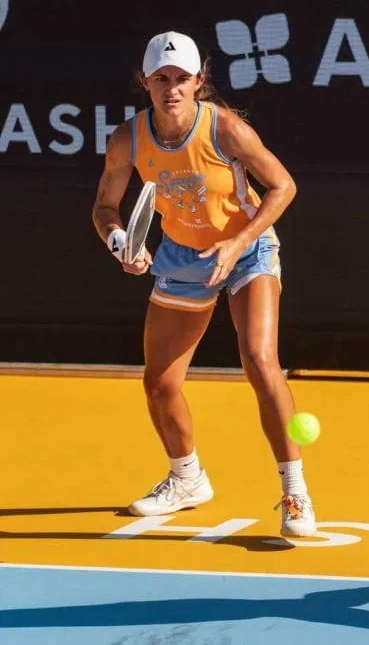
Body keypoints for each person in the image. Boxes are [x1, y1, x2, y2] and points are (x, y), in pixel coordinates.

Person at [91, 31, 316, 538]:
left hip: (247, 250)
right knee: (159, 383)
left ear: (199, 82)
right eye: (161, 79)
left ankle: (295, 492)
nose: (172, 88)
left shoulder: (227, 129)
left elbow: (283, 186)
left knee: (260, 360)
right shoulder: (128, 138)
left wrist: (237, 244)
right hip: (180, 258)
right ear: (145, 82)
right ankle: (186, 479)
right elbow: (105, 208)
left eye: (182, 79)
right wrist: (120, 242)